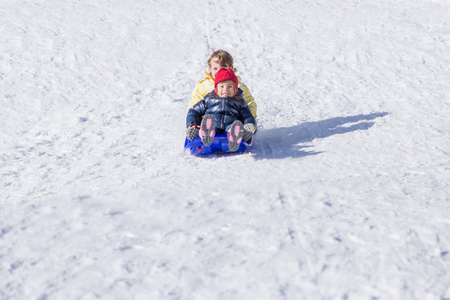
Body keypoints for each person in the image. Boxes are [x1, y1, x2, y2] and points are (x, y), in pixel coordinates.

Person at [186, 68, 257, 152]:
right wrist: (192, 124)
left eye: (230, 86)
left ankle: (234, 136)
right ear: (216, 89)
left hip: (230, 126)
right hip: (213, 125)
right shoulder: (209, 100)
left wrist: (249, 126)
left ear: (235, 89)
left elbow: (248, 116)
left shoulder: (240, 103)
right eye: (222, 86)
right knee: (209, 125)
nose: (225, 90)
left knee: (233, 127)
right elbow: (193, 111)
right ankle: (205, 133)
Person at [188, 50, 257, 119]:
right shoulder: (203, 86)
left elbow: (249, 102)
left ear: (231, 69)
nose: (219, 72)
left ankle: (236, 128)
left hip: (232, 120)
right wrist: (196, 120)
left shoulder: (238, 86)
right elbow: (195, 104)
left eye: (223, 68)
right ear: (210, 69)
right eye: (215, 68)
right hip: (210, 121)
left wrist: (248, 118)